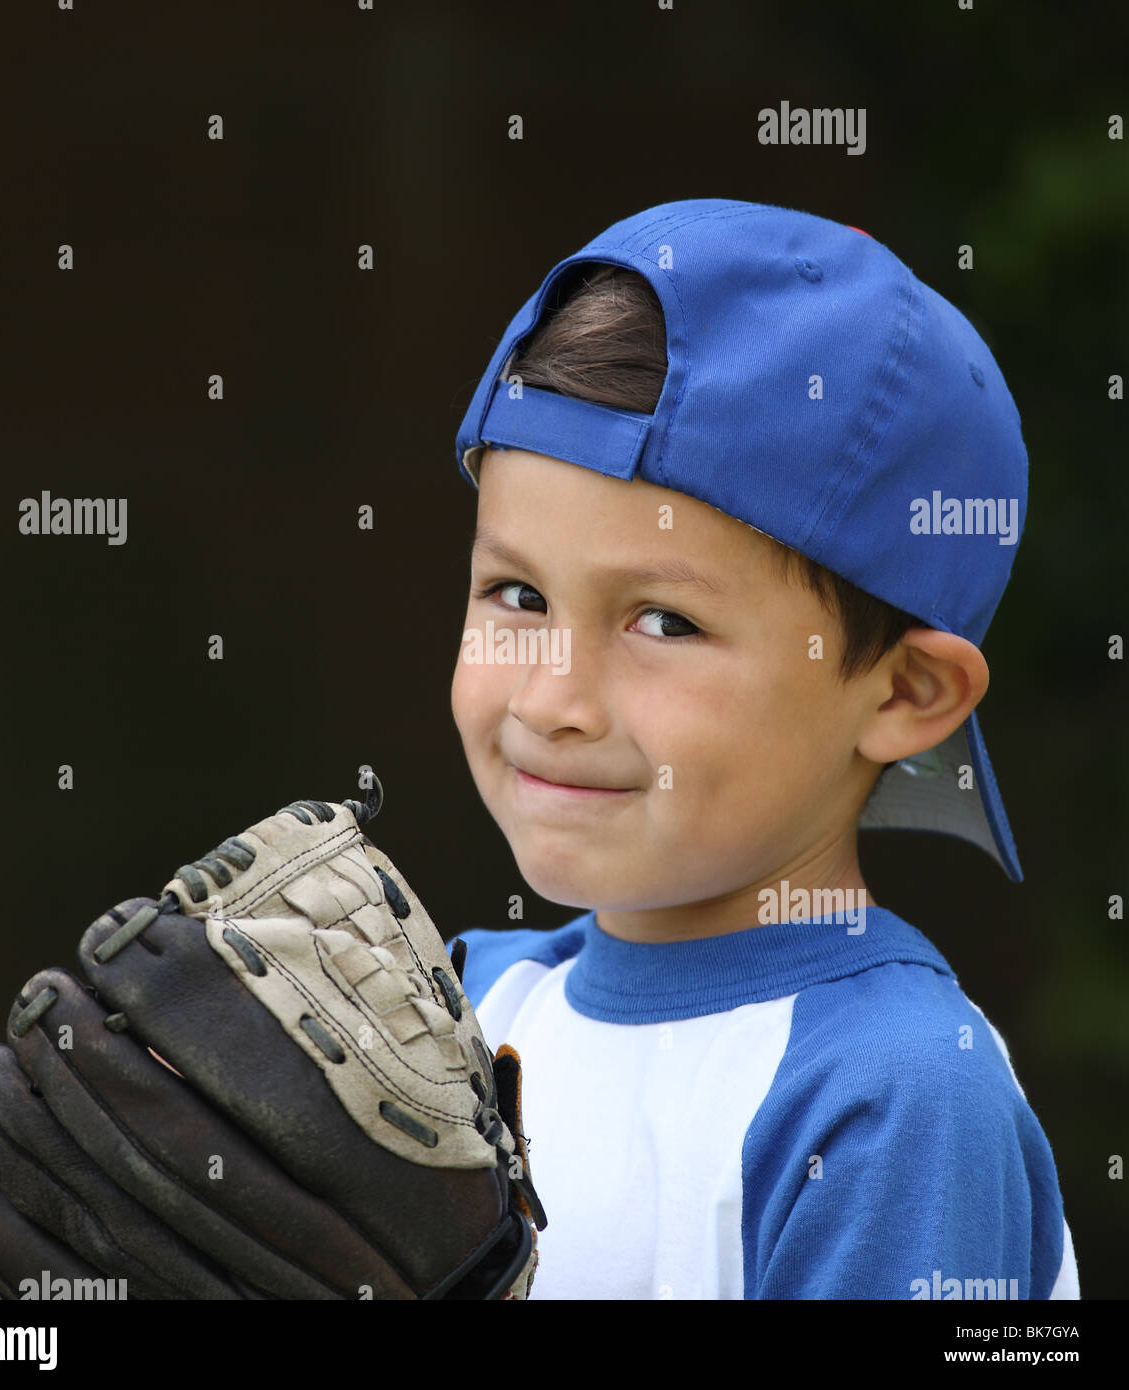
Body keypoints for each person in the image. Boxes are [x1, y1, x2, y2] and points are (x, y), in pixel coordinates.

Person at [447, 197, 1079, 1299]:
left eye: (663, 622)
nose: (552, 699)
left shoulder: (896, 1098)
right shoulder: (449, 1016)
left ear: (904, 691)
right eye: (516, 593)